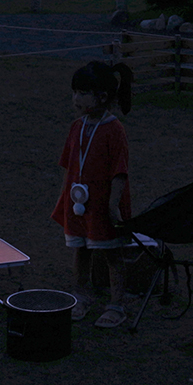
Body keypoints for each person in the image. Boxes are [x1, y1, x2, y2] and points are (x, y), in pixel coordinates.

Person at [50, 61, 134, 328]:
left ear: (102, 96)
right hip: (78, 204)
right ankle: (80, 295)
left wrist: (113, 205)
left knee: (111, 253)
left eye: (82, 93)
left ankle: (117, 304)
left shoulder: (114, 129)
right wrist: (65, 199)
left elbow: (120, 171)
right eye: (74, 92)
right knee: (80, 249)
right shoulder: (77, 126)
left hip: (103, 204)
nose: (76, 98)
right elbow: (69, 165)